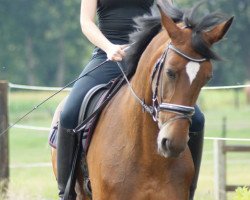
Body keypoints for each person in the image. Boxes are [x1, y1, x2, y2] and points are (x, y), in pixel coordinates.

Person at [56, 0, 204, 199]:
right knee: (69, 112)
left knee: (198, 119)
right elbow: (86, 22)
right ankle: (67, 192)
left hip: (147, 55)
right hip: (108, 56)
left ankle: (189, 190)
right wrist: (109, 47)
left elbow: (171, 14)